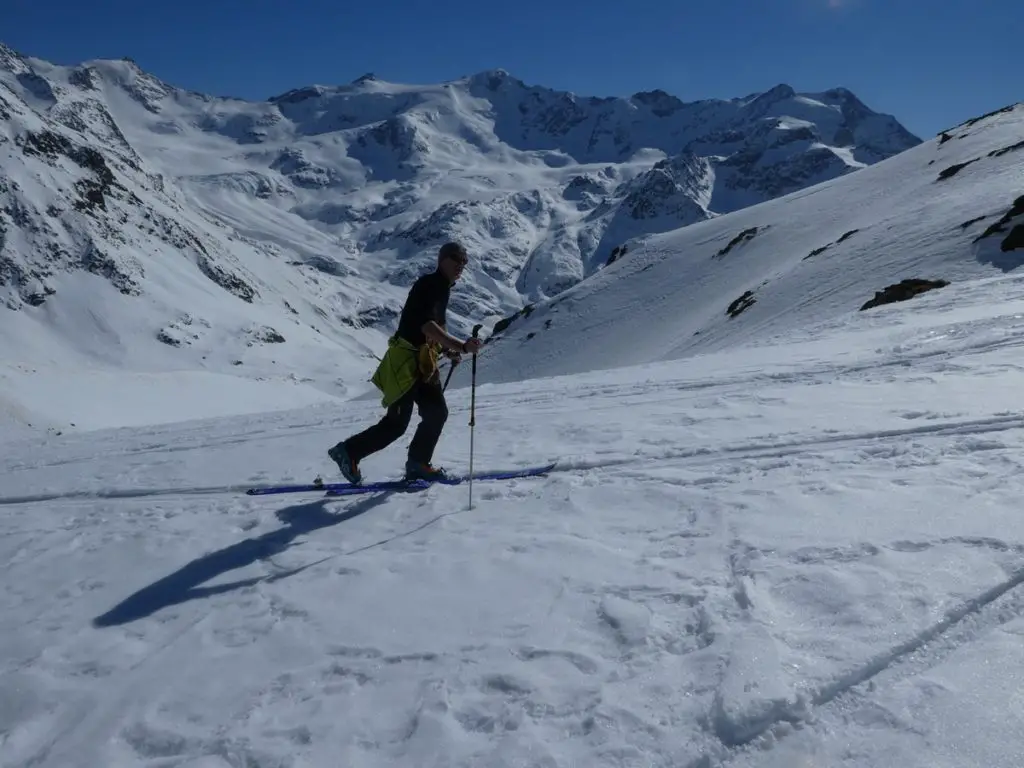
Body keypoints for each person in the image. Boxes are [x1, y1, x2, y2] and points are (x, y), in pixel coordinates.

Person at [328, 241, 483, 484]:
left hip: (422, 363)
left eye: (465, 261)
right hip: (407, 364)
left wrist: (445, 349)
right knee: (397, 424)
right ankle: (348, 452)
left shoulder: (442, 288)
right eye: (456, 258)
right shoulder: (430, 285)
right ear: (442, 259)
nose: (460, 265)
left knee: (436, 413)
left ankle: (418, 464)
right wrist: (460, 346)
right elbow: (427, 325)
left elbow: (435, 327)